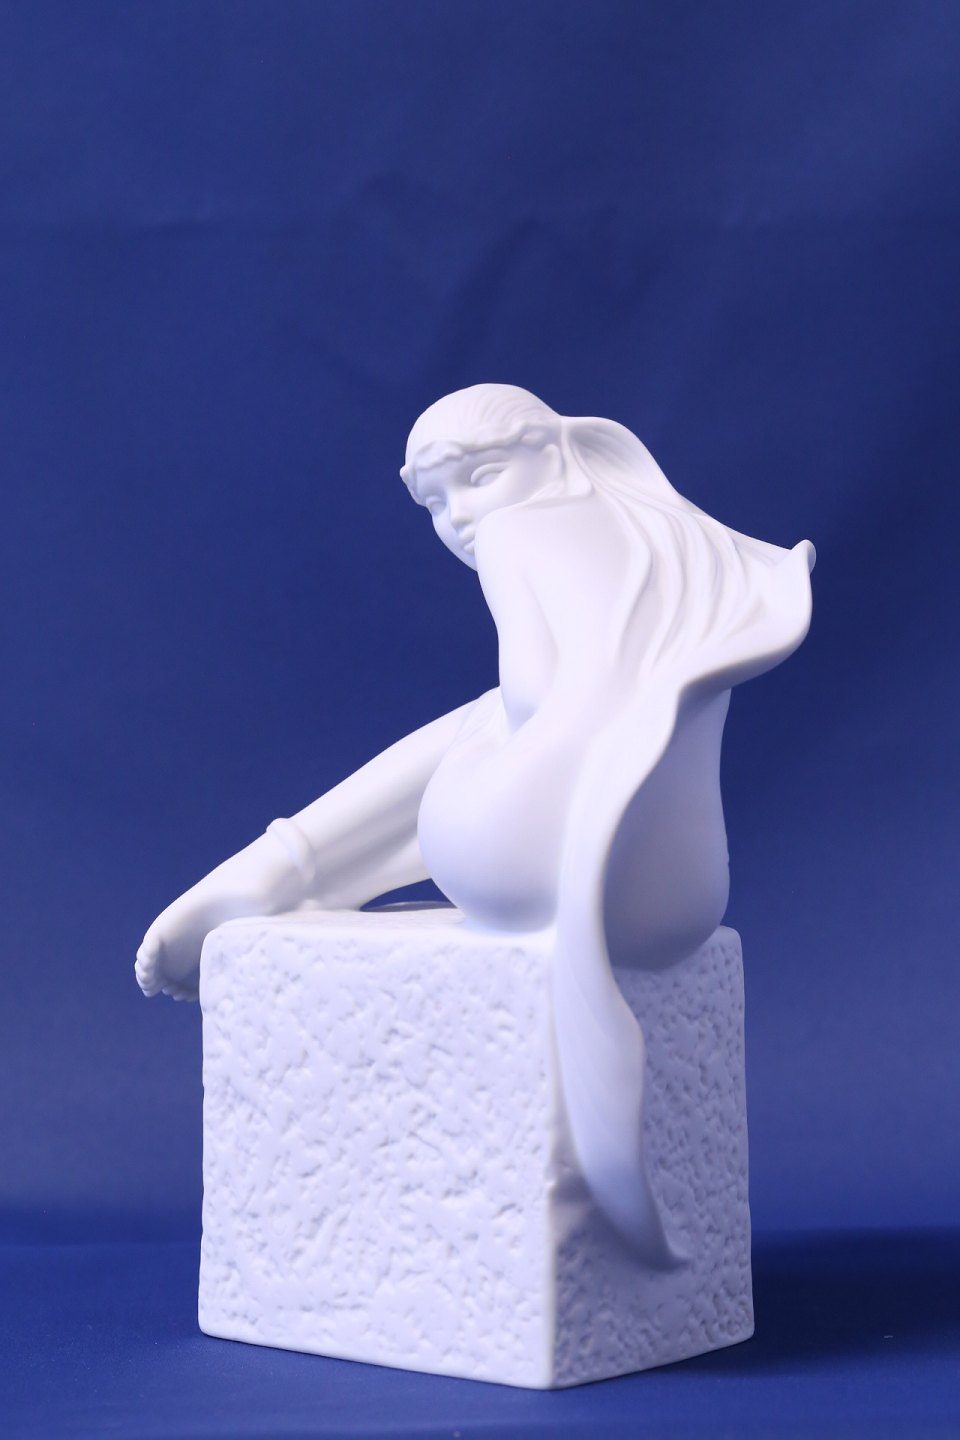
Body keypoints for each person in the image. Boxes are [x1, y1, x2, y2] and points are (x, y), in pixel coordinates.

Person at [136, 384, 813, 1261]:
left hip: (528, 866)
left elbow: (535, 697)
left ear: (561, 452)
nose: (460, 517)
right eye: (435, 503)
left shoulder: (519, 532)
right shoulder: (689, 544)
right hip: (678, 903)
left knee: (490, 717)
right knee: (503, 732)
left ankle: (278, 867)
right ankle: (284, 870)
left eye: (479, 478)